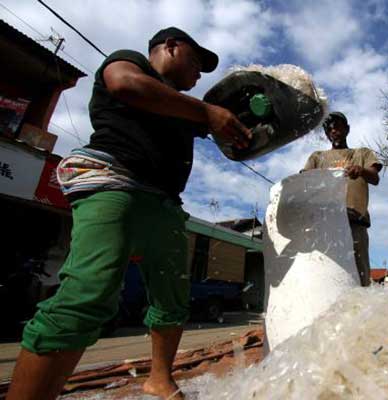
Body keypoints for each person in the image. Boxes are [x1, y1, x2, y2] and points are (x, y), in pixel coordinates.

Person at [7, 27, 251, 400]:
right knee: (90, 292)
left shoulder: (184, 109)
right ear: (170, 47)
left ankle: (159, 378)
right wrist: (205, 110)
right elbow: (124, 85)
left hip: (165, 202)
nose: (200, 75)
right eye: (197, 62)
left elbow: (233, 135)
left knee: (173, 297)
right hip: (111, 177)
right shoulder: (131, 63)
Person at [302, 112, 382, 286]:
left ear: (347, 129)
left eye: (337, 126)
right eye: (329, 129)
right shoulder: (317, 157)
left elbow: (375, 178)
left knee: (361, 277)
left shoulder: (361, 153)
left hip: (356, 223)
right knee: (328, 277)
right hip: (325, 226)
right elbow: (304, 182)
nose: (333, 131)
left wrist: (361, 170)